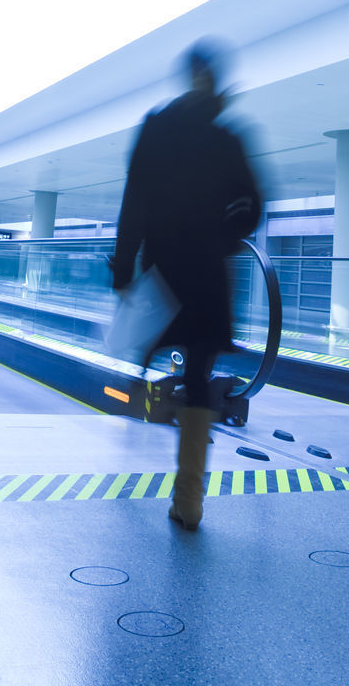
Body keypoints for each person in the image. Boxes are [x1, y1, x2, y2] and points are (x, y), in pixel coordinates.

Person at [112, 39, 261, 531]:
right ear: (214, 80)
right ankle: (188, 498)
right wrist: (226, 233)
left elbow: (134, 198)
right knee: (199, 373)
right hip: (207, 273)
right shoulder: (228, 138)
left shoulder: (157, 128)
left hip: (166, 271)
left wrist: (125, 263)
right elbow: (254, 203)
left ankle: (142, 397)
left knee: (159, 353)